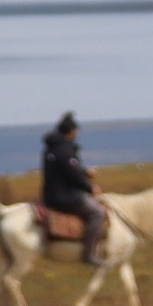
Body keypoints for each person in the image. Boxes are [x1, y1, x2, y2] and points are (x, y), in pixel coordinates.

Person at [40, 112, 110, 265]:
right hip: (64, 196)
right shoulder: (65, 150)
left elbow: (64, 171)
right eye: (76, 131)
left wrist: (84, 172)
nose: (77, 134)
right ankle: (89, 254)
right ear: (70, 132)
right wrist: (90, 188)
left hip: (51, 194)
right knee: (97, 213)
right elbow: (72, 175)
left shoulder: (52, 148)